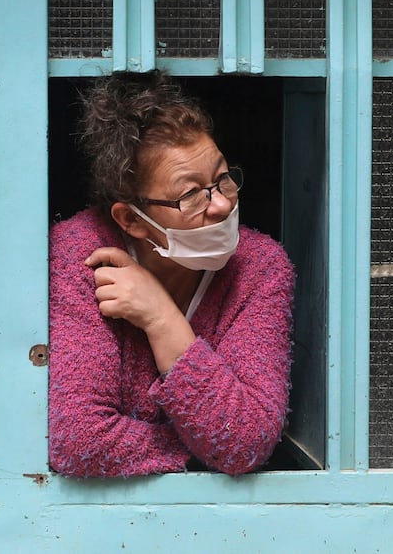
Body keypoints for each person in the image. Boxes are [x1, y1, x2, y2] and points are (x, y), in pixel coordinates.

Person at [48, 70, 295, 476]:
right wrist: (203, 451)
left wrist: (161, 318)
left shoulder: (260, 267)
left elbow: (246, 441)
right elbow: (78, 439)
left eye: (222, 180)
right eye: (190, 194)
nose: (220, 205)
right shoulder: (78, 256)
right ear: (132, 219)